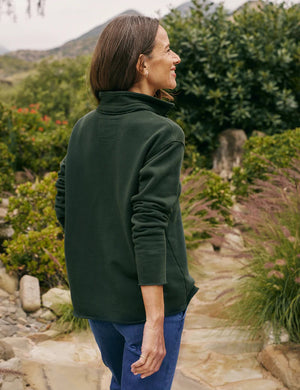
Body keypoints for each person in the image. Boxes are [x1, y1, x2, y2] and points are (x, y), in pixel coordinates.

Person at [55, 15, 198, 390]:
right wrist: (155, 321)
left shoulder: (83, 127)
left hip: (99, 300)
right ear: (142, 64)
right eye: (167, 49)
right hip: (145, 307)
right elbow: (148, 224)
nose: (176, 57)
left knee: (123, 382)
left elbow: (65, 207)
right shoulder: (164, 133)